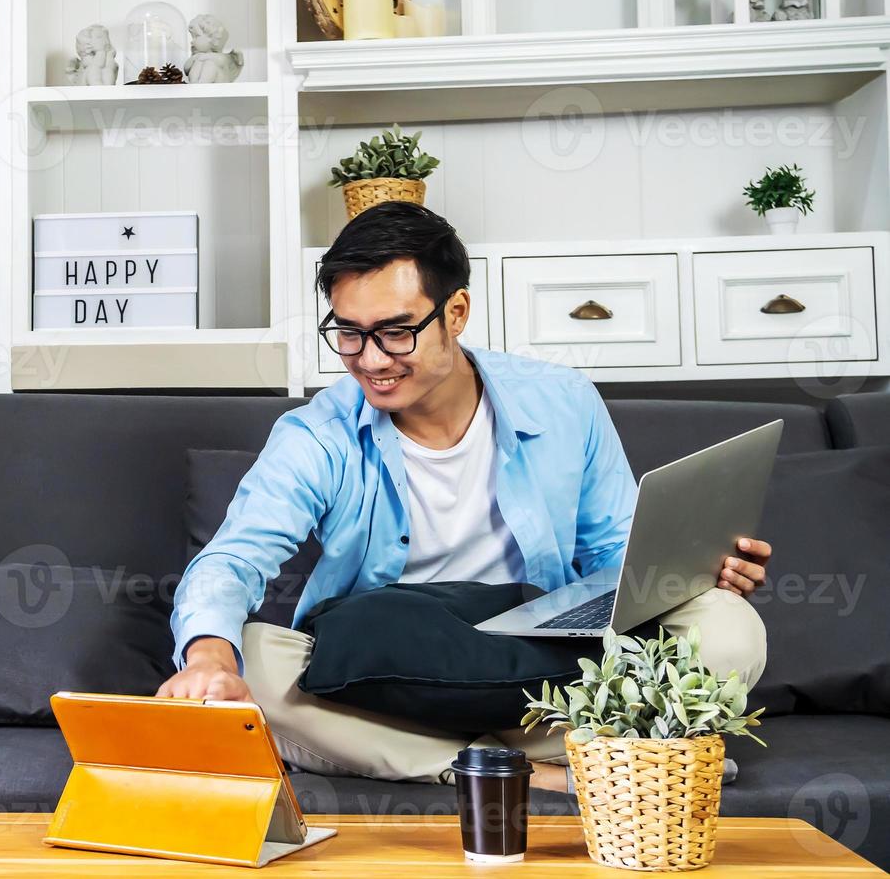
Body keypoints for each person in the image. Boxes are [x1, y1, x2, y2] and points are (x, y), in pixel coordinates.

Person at [157, 202, 770, 789]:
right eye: (348, 333)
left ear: (456, 312)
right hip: (386, 671)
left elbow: (615, 555)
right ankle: (578, 763)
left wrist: (687, 573)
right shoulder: (318, 433)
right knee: (257, 664)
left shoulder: (563, 400)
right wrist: (210, 657)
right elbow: (234, 557)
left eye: (396, 332)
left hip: (539, 664)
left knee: (729, 631)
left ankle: (435, 756)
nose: (371, 360)